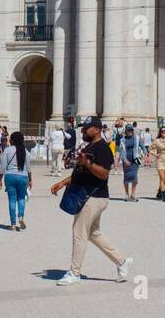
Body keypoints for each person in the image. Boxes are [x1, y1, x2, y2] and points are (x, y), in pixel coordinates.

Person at [50, 117, 132, 286]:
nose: (82, 131)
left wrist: (88, 164)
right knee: (93, 234)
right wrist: (62, 183)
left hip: (93, 196)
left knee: (79, 232)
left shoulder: (103, 148)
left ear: (96, 129)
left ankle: (74, 272)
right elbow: (79, 172)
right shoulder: (89, 147)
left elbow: (103, 174)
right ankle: (122, 261)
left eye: (86, 128)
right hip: (88, 195)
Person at [0, 130, 32, 230]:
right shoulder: (25, 151)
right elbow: (29, 168)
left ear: (12, 140)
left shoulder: (7, 150)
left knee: (12, 200)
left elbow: (3, 167)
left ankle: (13, 224)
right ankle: (20, 217)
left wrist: (0, 179)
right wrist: (30, 180)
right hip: (23, 176)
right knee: (21, 198)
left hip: (10, 176)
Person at [150, 125, 165, 202]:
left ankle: (159, 192)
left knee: (164, 179)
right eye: (162, 131)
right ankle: (164, 194)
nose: (163, 132)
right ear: (160, 132)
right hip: (160, 160)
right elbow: (150, 148)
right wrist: (155, 154)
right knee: (162, 178)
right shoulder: (157, 141)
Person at [118, 124, 141, 201]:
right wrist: (125, 160)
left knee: (134, 177)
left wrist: (145, 151)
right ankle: (127, 195)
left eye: (131, 130)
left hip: (135, 160)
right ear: (125, 131)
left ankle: (133, 195)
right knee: (126, 177)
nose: (130, 132)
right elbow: (122, 151)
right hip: (126, 160)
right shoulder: (122, 140)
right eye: (128, 130)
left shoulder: (136, 138)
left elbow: (141, 145)